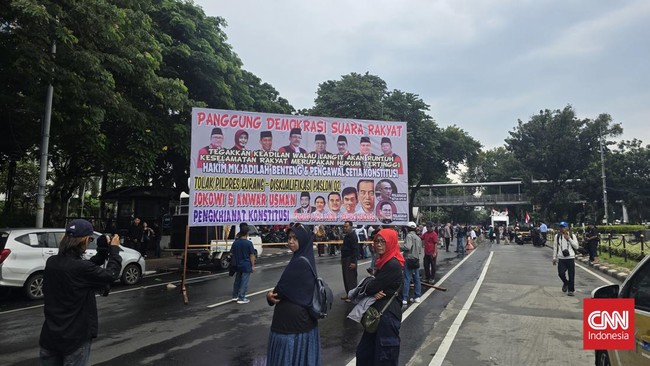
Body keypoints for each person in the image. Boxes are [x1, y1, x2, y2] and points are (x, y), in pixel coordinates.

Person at [39, 219, 122, 365]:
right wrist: (114, 251)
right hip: (75, 339)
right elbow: (111, 274)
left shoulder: (52, 262)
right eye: (90, 239)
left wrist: (102, 253)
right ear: (84, 240)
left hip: (50, 336)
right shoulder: (81, 268)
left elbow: (84, 267)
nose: (90, 242)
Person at [266, 224, 321, 365]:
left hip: (292, 329)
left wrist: (269, 296)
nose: (290, 241)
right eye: (289, 238)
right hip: (301, 325)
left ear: (303, 240)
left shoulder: (299, 263)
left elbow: (277, 293)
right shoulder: (304, 257)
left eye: (295, 238)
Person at [355, 228, 404, 365]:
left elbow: (371, 287)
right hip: (378, 314)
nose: (379, 244)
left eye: (384, 241)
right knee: (365, 353)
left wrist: (371, 285)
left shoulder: (392, 264)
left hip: (387, 315)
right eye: (377, 241)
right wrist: (372, 285)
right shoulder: (383, 261)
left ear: (391, 243)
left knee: (385, 356)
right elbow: (372, 286)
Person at [230, 224, 256, 304]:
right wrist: (252, 266)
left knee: (237, 280)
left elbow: (231, 254)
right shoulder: (249, 243)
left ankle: (235, 296)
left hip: (237, 264)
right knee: (244, 281)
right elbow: (252, 255)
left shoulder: (235, 243)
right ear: (247, 234)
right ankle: (241, 297)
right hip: (246, 265)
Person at [552, 222, 579, 296]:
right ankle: (566, 282)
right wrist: (554, 257)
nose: (562, 229)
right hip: (561, 258)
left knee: (571, 274)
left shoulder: (572, 236)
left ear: (567, 228)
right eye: (561, 227)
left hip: (570, 257)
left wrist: (569, 239)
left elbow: (576, 246)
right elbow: (555, 247)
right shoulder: (557, 236)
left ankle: (571, 290)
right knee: (561, 273)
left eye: (563, 227)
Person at [401, 222, 423, 304]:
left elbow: (407, 247)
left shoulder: (409, 236)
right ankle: (417, 296)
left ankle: (405, 298)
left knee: (407, 279)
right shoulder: (418, 238)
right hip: (416, 259)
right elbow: (420, 251)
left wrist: (399, 247)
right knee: (416, 279)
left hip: (409, 259)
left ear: (408, 228)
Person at [340, 221, 359, 302]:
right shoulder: (347, 236)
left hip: (350, 259)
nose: (345, 228)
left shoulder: (353, 236)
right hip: (345, 258)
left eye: (346, 226)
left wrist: (353, 262)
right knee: (346, 278)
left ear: (351, 227)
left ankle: (353, 296)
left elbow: (355, 249)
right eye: (344, 226)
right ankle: (348, 294)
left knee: (351, 278)